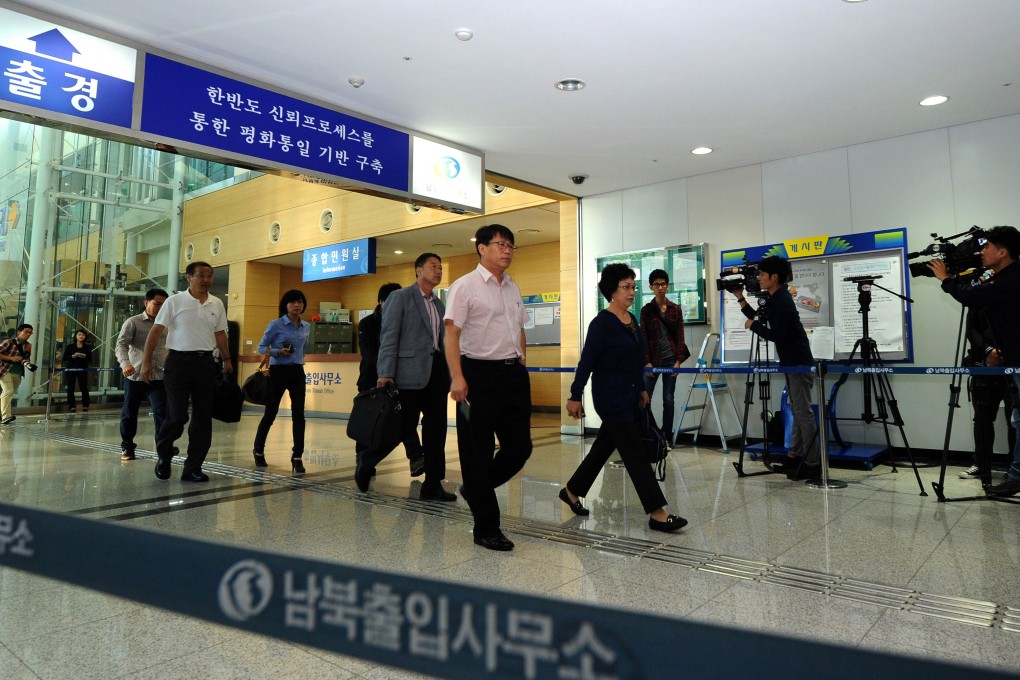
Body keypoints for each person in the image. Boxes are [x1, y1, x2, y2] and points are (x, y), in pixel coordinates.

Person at [562, 263, 688, 533]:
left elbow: (637, 360)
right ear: (612, 290)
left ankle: (572, 491)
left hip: (631, 394)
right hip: (610, 397)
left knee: (604, 447)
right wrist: (575, 395)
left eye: (633, 286)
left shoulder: (632, 322)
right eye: (626, 287)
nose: (632, 292)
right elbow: (587, 362)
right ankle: (657, 513)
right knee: (634, 453)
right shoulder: (602, 324)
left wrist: (642, 389)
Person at [444, 224, 533, 551]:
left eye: (511, 245)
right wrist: (457, 376)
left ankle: (475, 489)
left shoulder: (512, 286)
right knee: (476, 454)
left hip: (512, 376)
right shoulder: (464, 286)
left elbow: (520, 328)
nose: (507, 250)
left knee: (520, 448)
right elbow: (451, 334)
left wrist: (523, 361)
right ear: (481, 248)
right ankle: (486, 528)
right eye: (500, 244)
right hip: (477, 375)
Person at [357, 253, 457, 501]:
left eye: (440, 267)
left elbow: (444, 342)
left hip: (436, 376)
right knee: (401, 427)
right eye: (433, 266)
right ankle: (367, 460)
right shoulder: (400, 297)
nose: (438, 270)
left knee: (437, 431)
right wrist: (385, 373)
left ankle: (432, 484)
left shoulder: (439, 304)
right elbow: (389, 337)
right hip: (408, 376)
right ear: (418, 270)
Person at [929, 226, 1020, 496]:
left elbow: (970, 296)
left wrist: (945, 278)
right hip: (1004, 360)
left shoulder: (1009, 280)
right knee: (1012, 419)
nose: (982, 252)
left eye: (987, 247)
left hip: (1015, 361)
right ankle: (1008, 472)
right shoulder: (1001, 276)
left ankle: (1016, 476)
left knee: (1018, 420)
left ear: (1003, 252)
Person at [141, 261, 232, 483]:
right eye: (201, 275)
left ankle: (192, 468)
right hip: (178, 363)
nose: (206, 280)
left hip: (205, 364)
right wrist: (146, 362)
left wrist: (227, 359)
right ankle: (164, 455)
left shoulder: (217, 303)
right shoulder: (175, 301)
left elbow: (220, 333)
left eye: (209, 275)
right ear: (189, 277)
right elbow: (156, 331)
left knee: (203, 418)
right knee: (177, 415)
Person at [731, 256, 819, 480]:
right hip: (792, 363)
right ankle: (794, 457)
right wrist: (740, 298)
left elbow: (776, 335)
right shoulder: (776, 297)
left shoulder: (782, 300)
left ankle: (813, 463)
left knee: (803, 414)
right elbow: (756, 317)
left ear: (774, 277)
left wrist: (754, 327)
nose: (758, 278)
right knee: (798, 412)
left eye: (762, 275)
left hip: (798, 363)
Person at [357, 282, 426, 475]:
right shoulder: (368, 323)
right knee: (369, 421)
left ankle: (415, 457)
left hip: (398, 382)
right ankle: (362, 459)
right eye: (392, 300)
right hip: (371, 381)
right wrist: (386, 370)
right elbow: (369, 355)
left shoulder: (404, 322)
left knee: (402, 419)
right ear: (381, 302)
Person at [253, 289, 310, 473]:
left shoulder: (306, 326)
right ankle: (258, 450)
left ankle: (297, 456)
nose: (297, 305)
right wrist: (278, 352)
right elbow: (261, 348)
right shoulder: (276, 325)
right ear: (285, 305)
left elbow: (303, 349)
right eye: (293, 302)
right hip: (277, 372)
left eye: (300, 302)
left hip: (297, 372)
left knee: (299, 415)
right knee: (270, 413)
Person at [960, 303, 1015, 482]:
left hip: (1014, 364)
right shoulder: (981, 294)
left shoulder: (1012, 290)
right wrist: (987, 351)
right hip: (984, 365)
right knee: (982, 419)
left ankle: (1015, 468)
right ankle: (981, 465)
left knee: (1015, 420)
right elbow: (972, 329)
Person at [116, 288, 170, 461]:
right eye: (157, 304)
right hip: (135, 375)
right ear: (146, 303)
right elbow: (121, 345)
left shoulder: (168, 324)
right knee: (129, 412)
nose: (161, 308)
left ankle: (163, 449)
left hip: (159, 375)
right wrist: (125, 364)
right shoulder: (133, 322)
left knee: (162, 412)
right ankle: (127, 447)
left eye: (164, 305)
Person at [640, 268, 690, 447]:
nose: (660, 288)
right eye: (656, 285)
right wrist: (646, 361)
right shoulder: (646, 310)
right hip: (651, 361)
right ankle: (647, 433)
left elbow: (680, 336)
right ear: (651, 287)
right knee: (645, 398)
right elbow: (643, 337)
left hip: (670, 360)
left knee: (668, 400)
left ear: (667, 286)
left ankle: (666, 436)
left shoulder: (675, 309)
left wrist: (678, 361)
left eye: (662, 284)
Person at [0, 323, 33, 426]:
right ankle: (6, 416)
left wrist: (27, 363)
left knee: (7, 394)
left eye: (30, 333)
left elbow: (26, 358)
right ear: (19, 332)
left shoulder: (28, 345)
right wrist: (12, 358)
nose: (28, 334)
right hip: (5, 370)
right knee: (8, 392)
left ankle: (3, 415)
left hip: (18, 372)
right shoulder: (8, 342)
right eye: (26, 332)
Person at [62, 329, 93, 413]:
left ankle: (85, 405)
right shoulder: (70, 346)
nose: (81, 336)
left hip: (82, 369)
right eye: (79, 335)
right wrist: (72, 356)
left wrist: (84, 357)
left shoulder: (87, 347)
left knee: (84, 387)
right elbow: (64, 358)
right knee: (70, 387)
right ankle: (72, 406)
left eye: (83, 335)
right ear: (76, 336)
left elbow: (90, 359)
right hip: (71, 368)